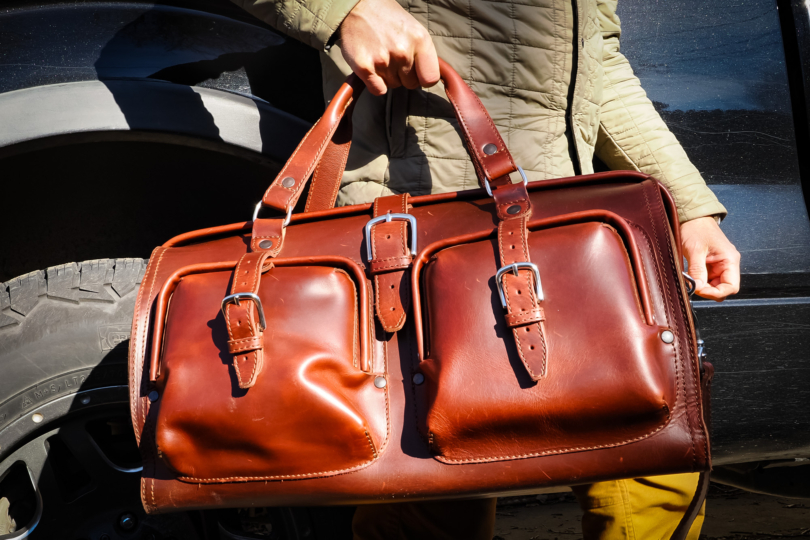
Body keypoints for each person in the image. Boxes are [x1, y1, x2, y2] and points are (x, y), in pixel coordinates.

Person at [232, 0, 742, 538]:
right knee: (432, 481)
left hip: (563, 223)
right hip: (421, 226)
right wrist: (348, 9)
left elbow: (599, 61)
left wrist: (688, 207)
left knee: (650, 459)